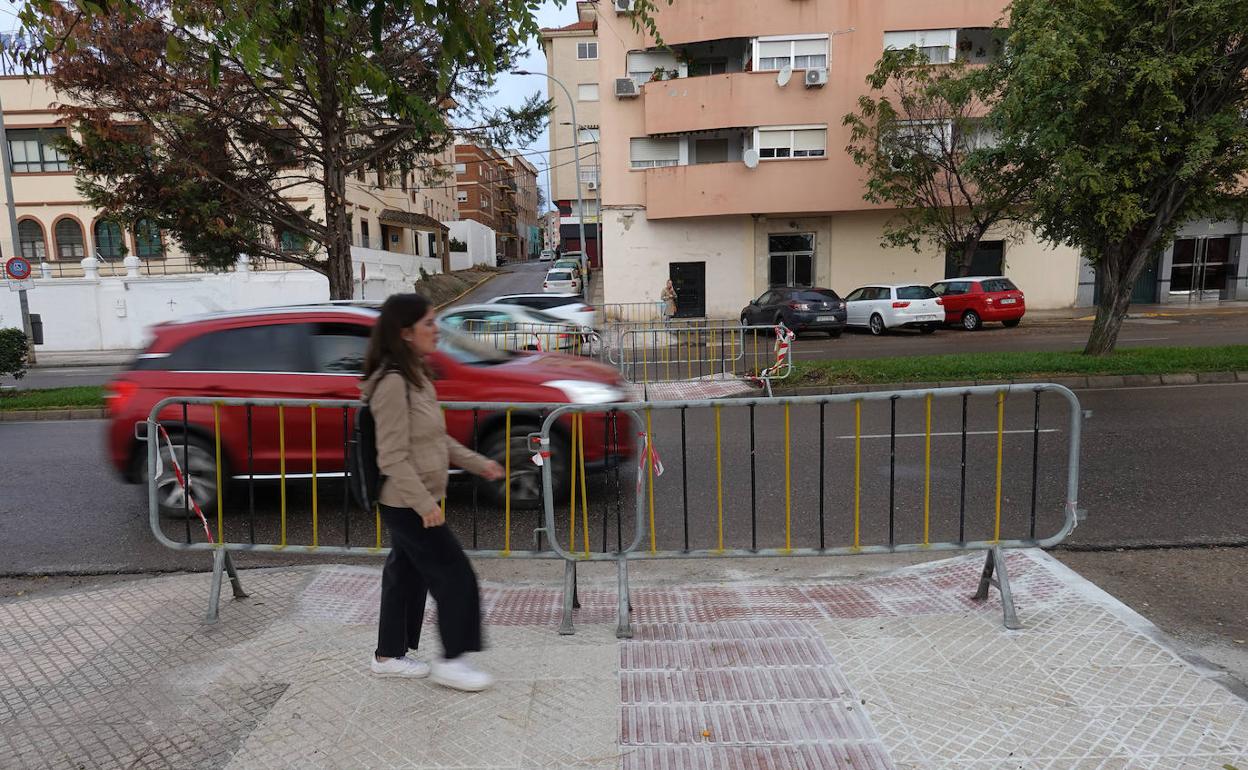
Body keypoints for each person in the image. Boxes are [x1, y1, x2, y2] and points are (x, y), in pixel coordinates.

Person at [360, 293, 506, 691]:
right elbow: (392, 457)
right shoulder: (393, 384)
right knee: (456, 576)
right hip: (408, 502)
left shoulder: (417, 377)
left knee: (404, 576)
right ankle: (452, 661)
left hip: (420, 497)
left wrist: (479, 463)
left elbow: (436, 439)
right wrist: (425, 505)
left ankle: (388, 655)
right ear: (405, 333)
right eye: (428, 323)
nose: (436, 329)